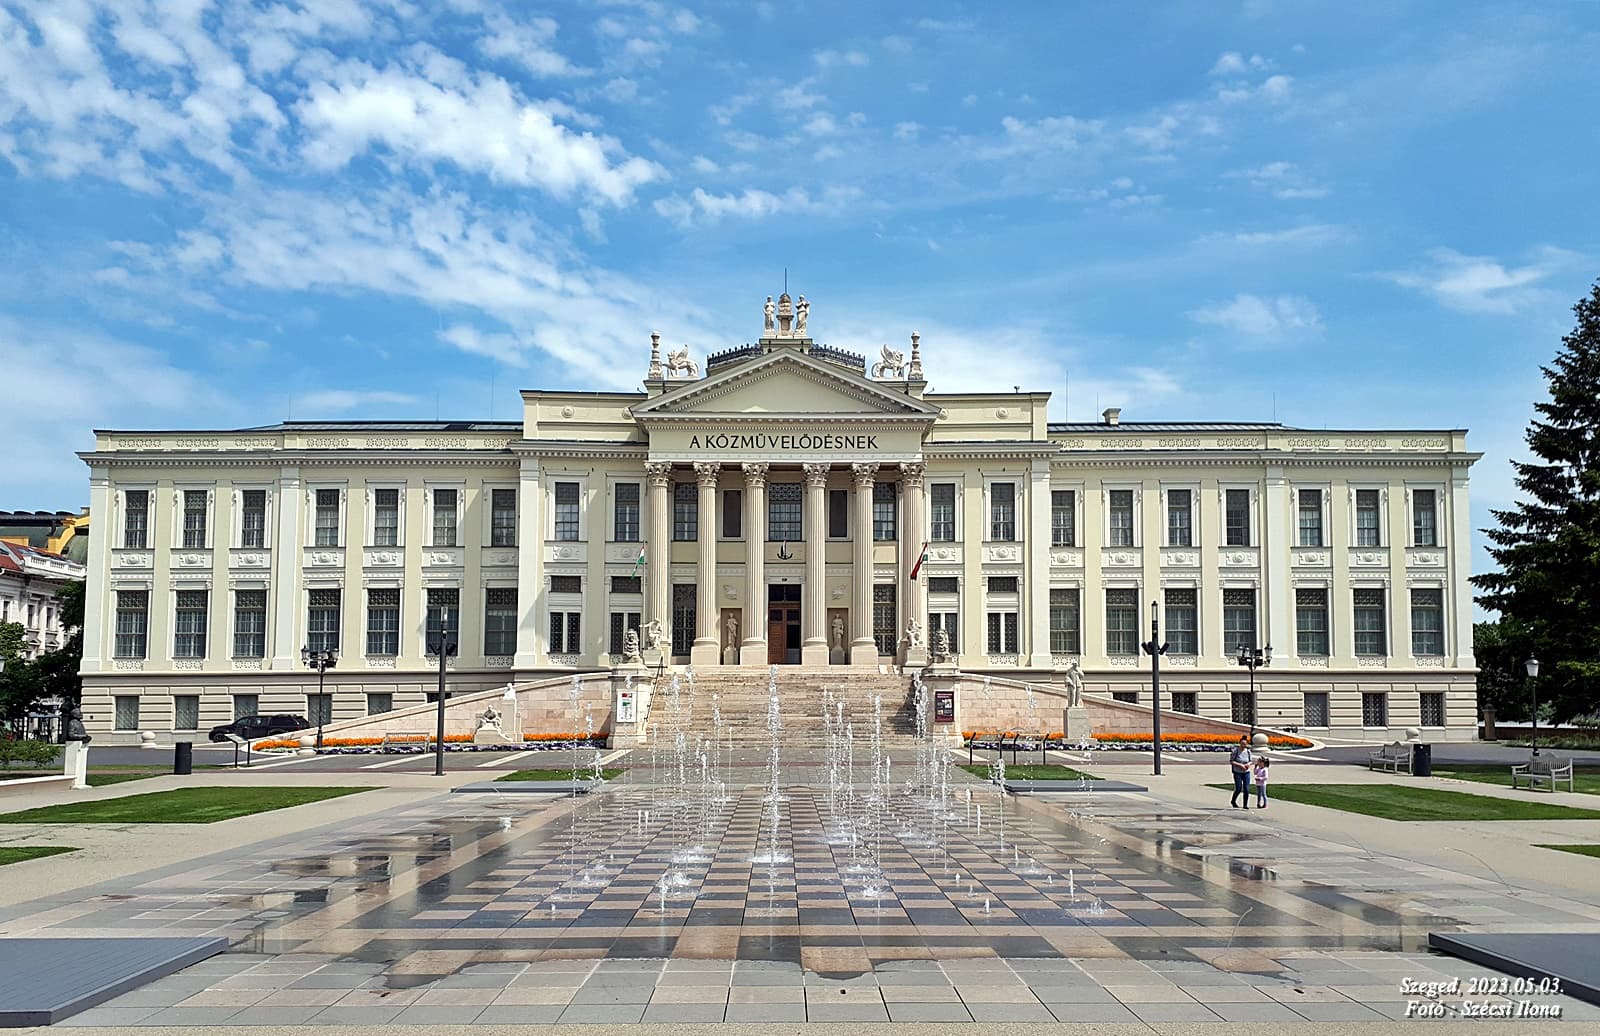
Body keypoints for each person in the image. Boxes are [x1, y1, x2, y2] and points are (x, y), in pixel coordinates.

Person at [1229, 735, 1254, 809]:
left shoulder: (1248, 751)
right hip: (1238, 772)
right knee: (1239, 788)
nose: (1243, 745)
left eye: (1245, 744)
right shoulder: (1235, 751)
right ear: (1240, 743)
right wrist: (1240, 765)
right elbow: (1232, 761)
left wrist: (1248, 764)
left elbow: (1251, 761)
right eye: (1242, 744)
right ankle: (1233, 800)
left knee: (1246, 789)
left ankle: (1245, 805)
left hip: (1246, 772)